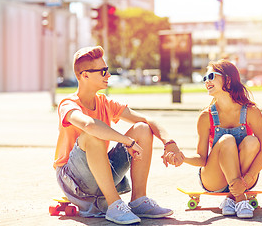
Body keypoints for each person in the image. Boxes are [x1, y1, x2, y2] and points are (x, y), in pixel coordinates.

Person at [53, 46, 184, 224]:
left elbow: (147, 119)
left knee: (142, 129)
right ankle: (115, 205)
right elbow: (89, 125)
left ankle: (139, 201)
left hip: (101, 171)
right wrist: (126, 141)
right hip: (74, 179)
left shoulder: (105, 102)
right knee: (92, 134)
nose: (108, 76)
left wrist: (169, 142)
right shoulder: (67, 104)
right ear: (85, 75)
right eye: (103, 71)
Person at [182, 59, 262, 218]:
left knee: (253, 142)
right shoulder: (205, 116)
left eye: (211, 76)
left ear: (228, 79)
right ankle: (240, 200)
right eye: (205, 78)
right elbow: (202, 158)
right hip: (214, 179)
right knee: (227, 140)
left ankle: (230, 199)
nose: (207, 81)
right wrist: (183, 158)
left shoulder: (251, 111)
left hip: (244, 181)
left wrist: (246, 180)